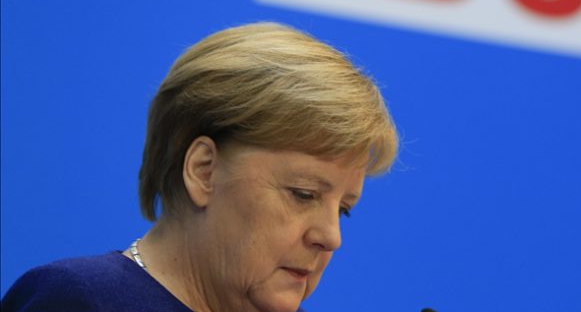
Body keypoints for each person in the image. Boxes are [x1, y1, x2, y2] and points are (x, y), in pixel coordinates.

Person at [1, 22, 399, 312]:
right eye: (304, 194)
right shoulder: (82, 300)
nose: (331, 237)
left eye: (343, 209)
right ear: (203, 170)